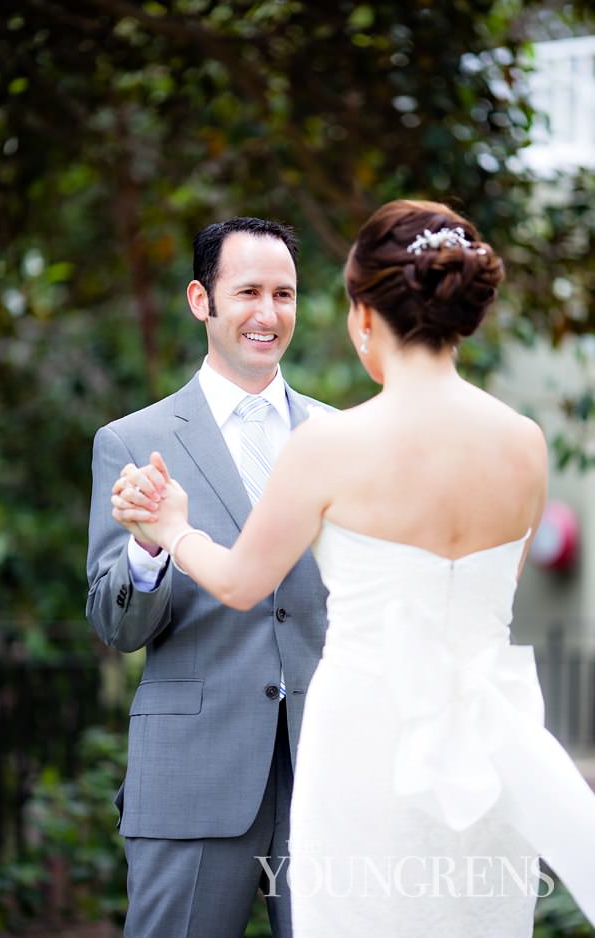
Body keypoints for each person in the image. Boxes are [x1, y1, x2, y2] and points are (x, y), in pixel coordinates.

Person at [115, 200, 595, 935]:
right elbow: (497, 594)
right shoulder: (525, 443)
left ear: (365, 314)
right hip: (486, 750)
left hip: (358, 748)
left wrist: (173, 530)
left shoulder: (333, 445)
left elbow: (244, 581)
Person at [86, 217, 330, 938]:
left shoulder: (340, 437)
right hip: (194, 768)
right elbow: (114, 622)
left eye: (284, 294)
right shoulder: (134, 441)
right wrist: (149, 549)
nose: (268, 314)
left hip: (329, 763)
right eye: (248, 291)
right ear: (202, 300)